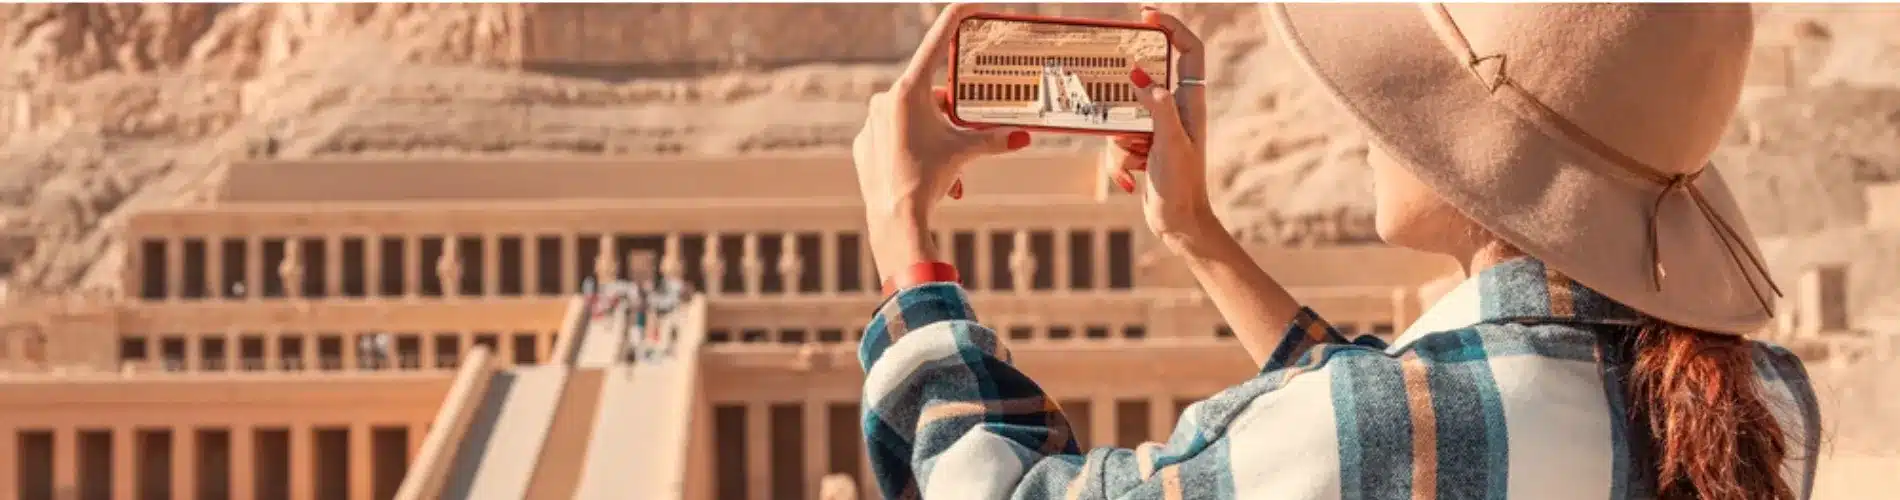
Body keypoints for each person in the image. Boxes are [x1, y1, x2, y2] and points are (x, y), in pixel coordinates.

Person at [852, 4, 1819, 500]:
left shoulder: (1369, 433)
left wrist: (906, 241)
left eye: (1406, 103)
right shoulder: (1763, 409)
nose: (1369, 126)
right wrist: (1196, 233)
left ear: (1479, 167)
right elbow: (1434, 426)